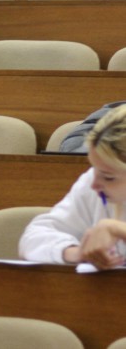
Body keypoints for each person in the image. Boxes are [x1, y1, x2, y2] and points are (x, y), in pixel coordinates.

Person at [20, 104, 126, 269]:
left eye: (108, 177)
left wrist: (118, 229)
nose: (94, 184)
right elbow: (34, 237)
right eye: (94, 168)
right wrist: (76, 253)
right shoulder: (92, 182)